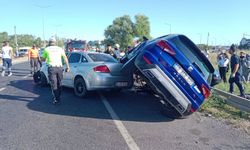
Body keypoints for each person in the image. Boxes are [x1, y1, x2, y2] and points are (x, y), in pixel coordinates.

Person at [41, 37, 70, 104]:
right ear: (55, 42)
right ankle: (58, 96)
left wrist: (41, 58)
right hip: (60, 68)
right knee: (59, 83)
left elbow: (43, 59)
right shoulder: (60, 49)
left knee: (54, 84)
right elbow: (65, 57)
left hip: (52, 69)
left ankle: (57, 98)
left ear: (49, 42)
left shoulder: (46, 49)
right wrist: (68, 67)